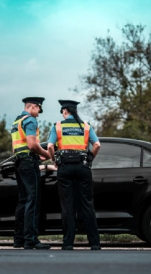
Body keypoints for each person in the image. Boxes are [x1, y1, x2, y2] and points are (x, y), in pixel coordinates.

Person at [47, 100, 101, 250]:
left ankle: (68, 243)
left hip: (65, 168)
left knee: (68, 206)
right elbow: (97, 145)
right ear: (74, 111)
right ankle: (95, 243)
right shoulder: (85, 125)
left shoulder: (57, 126)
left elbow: (50, 146)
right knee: (87, 205)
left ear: (65, 111)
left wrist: (54, 160)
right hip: (83, 167)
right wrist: (90, 158)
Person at [10, 97, 52, 250]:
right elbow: (32, 144)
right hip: (29, 163)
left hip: (20, 162)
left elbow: (18, 147)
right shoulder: (30, 120)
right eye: (39, 110)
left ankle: (19, 239)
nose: (39, 114)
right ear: (33, 106)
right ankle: (31, 240)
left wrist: (35, 154)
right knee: (32, 201)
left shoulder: (16, 121)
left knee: (23, 201)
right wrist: (46, 155)